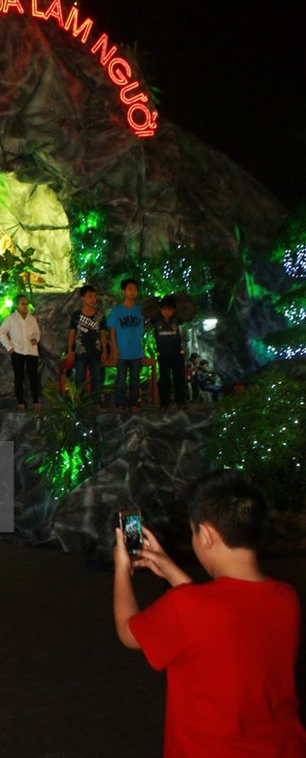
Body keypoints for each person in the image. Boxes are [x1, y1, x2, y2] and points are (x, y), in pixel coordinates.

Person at [113, 470, 306, 756]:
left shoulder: (187, 607)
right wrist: (170, 569)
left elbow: (129, 632)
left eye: (193, 531)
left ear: (206, 535)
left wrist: (121, 570)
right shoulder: (287, 598)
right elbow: (222, 618)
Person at [107, 278, 145, 411]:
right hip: (121, 351)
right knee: (121, 379)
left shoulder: (141, 311)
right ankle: (120, 404)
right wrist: (114, 348)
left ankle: (134, 403)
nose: (132, 292)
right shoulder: (116, 311)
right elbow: (112, 330)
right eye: (129, 289)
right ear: (123, 291)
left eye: (135, 289)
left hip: (136, 350)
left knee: (135, 379)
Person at [0, 294, 42, 410]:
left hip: (31, 351)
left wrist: (35, 339)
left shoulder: (32, 318)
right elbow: (1, 332)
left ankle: (36, 400)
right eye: (22, 303)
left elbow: (37, 332)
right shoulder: (11, 318)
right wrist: (9, 346)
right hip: (17, 351)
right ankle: (20, 401)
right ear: (16, 305)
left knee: (33, 376)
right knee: (19, 377)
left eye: (26, 303)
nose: (25, 306)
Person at [66, 285, 108, 406]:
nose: (93, 299)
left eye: (94, 296)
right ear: (82, 298)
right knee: (79, 378)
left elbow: (103, 334)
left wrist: (105, 351)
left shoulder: (100, 315)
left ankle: (96, 403)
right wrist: (70, 350)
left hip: (96, 352)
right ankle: (79, 403)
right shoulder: (76, 315)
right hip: (80, 352)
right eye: (89, 296)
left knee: (96, 378)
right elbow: (72, 333)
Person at [152, 295, 187, 409]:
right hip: (163, 355)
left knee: (179, 378)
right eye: (164, 309)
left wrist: (176, 297)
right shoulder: (156, 321)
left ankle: (180, 401)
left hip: (177, 353)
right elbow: (145, 308)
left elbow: (190, 309)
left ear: (173, 310)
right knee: (164, 380)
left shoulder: (178, 320)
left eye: (169, 309)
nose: (166, 312)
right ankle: (164, 403)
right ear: (160, 310)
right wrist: (156, 300)